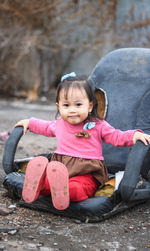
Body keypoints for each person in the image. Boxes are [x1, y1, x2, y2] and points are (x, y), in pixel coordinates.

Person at [14, 72, 150, 210]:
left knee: (77, 188)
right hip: (61, 168)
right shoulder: (59, 124)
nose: (72, 110)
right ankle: (39, 185)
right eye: (66, 105)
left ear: (90, 106)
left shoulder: (98, 125)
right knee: (50, 182)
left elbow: (115, 136)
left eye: (78, 104)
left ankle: (61, 192)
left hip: (87, 172)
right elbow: (44, 126)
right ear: (58, 106)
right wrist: (29, 122)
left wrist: (133, 135)